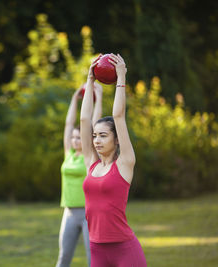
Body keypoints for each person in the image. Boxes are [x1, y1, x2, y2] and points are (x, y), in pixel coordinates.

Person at [80, 54, 147, 267]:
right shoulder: (91, 162)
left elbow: (118, 116)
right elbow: (84, 120)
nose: (96, 140)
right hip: (96, 248)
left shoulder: (125, 164)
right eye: (95, 136)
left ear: (117, 140)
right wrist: (89, 81)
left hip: (125, 250)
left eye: (103, 135)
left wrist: (121, 77)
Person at [56, 83, 103, 267]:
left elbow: (95, 120)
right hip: (68, 212)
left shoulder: (90, 156)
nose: (75, 140)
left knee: (93, 260)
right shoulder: (68, 154)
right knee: (63, 258)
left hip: (88, 213)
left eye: (79, 137)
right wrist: (74, 100)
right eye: (73, 138)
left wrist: (98, 98)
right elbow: (68, 124)